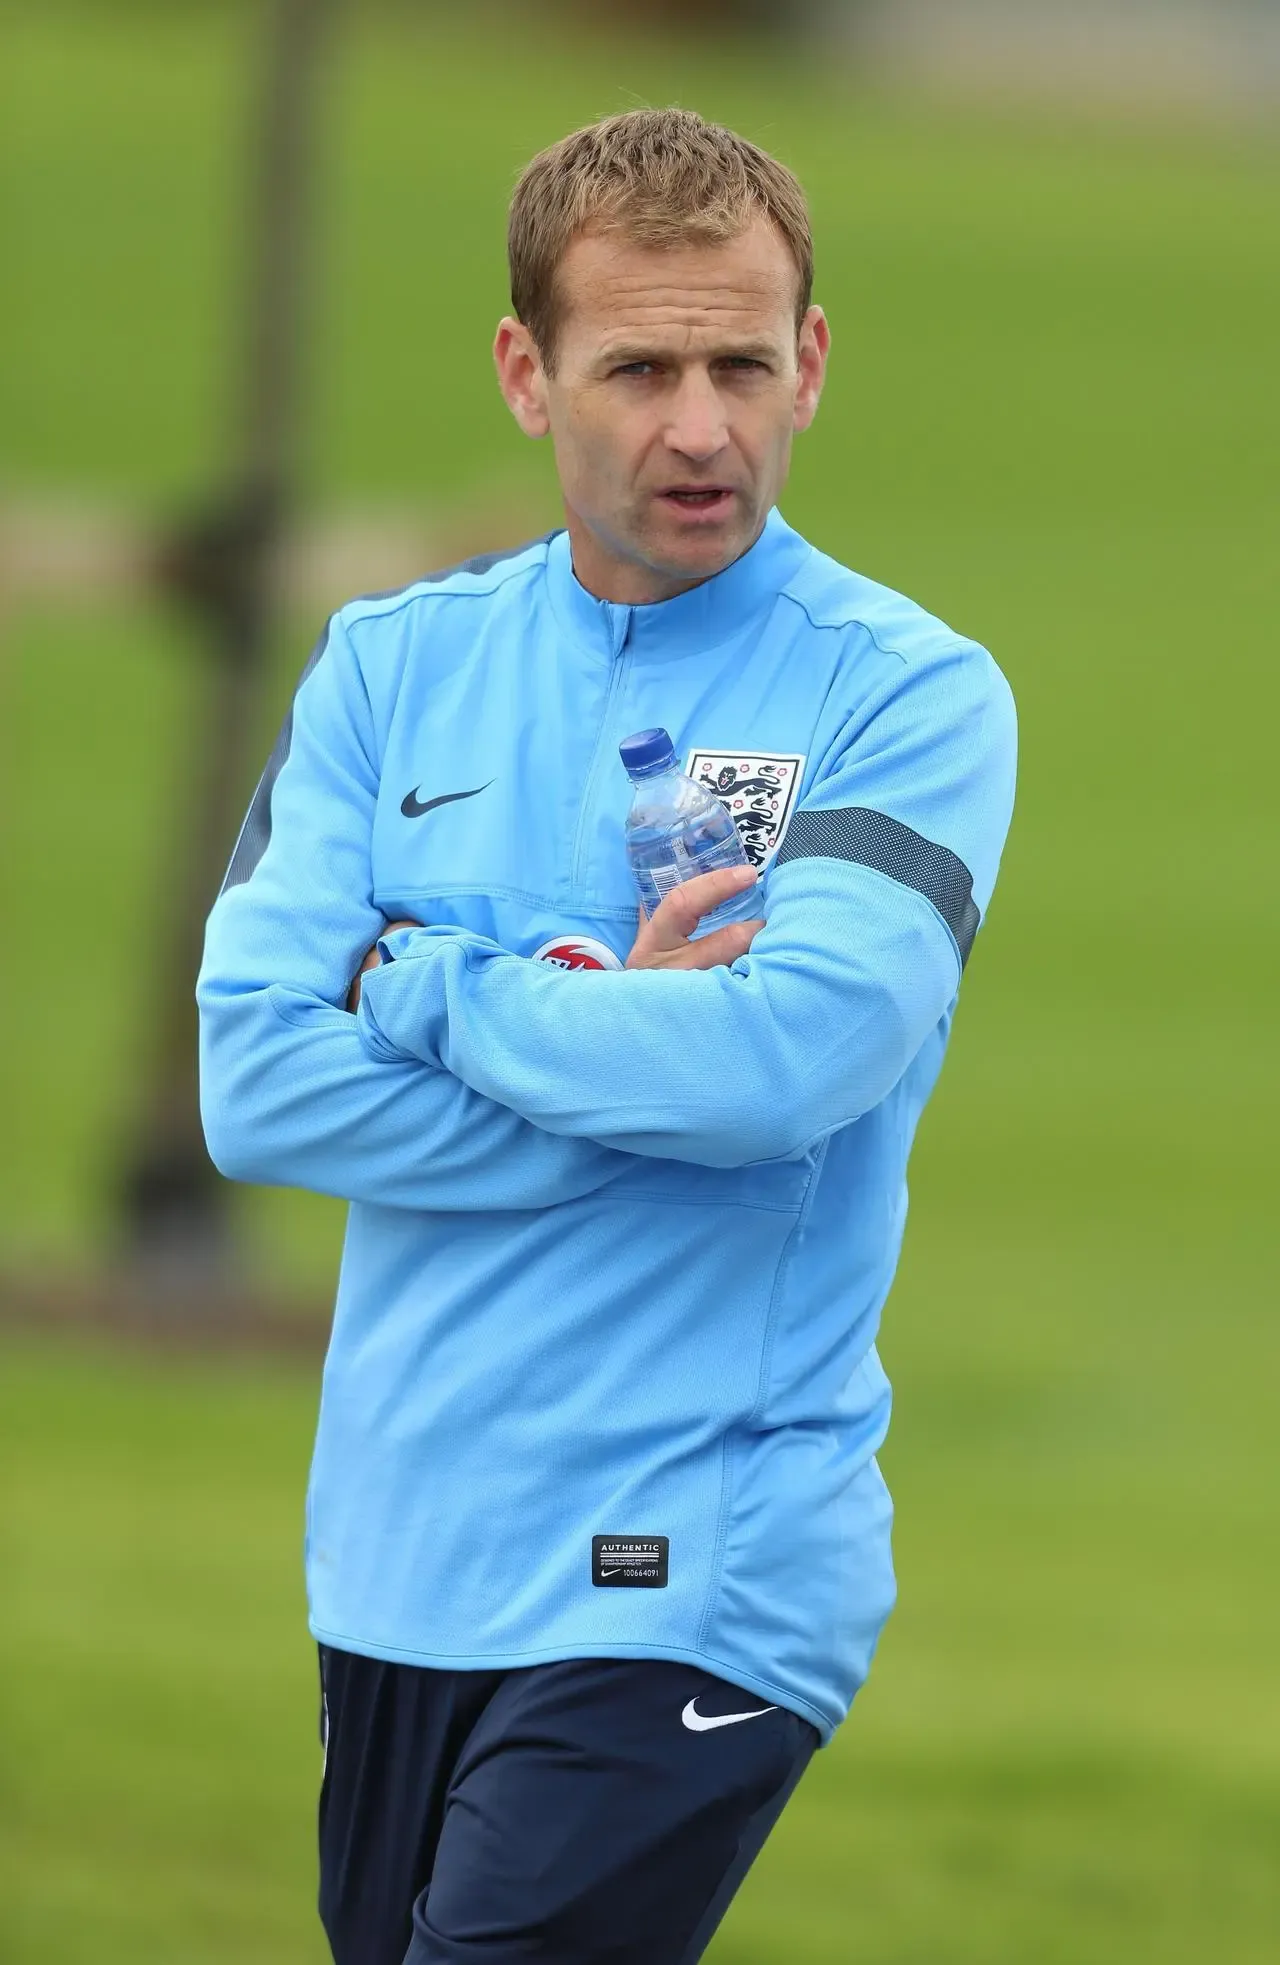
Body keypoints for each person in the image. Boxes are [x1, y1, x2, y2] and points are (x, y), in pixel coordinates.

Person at [197, 106, 1016, 1965]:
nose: (702, 425)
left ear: (811, 360)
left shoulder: (906, 694)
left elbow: (781, 1070)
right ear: (526, 371)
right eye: (638, 367)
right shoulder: (387, 668)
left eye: (742, 361)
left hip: (695, 1568)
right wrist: (611, 1038)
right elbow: (250, 1083)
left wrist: (424, 985)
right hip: (399, 1558)